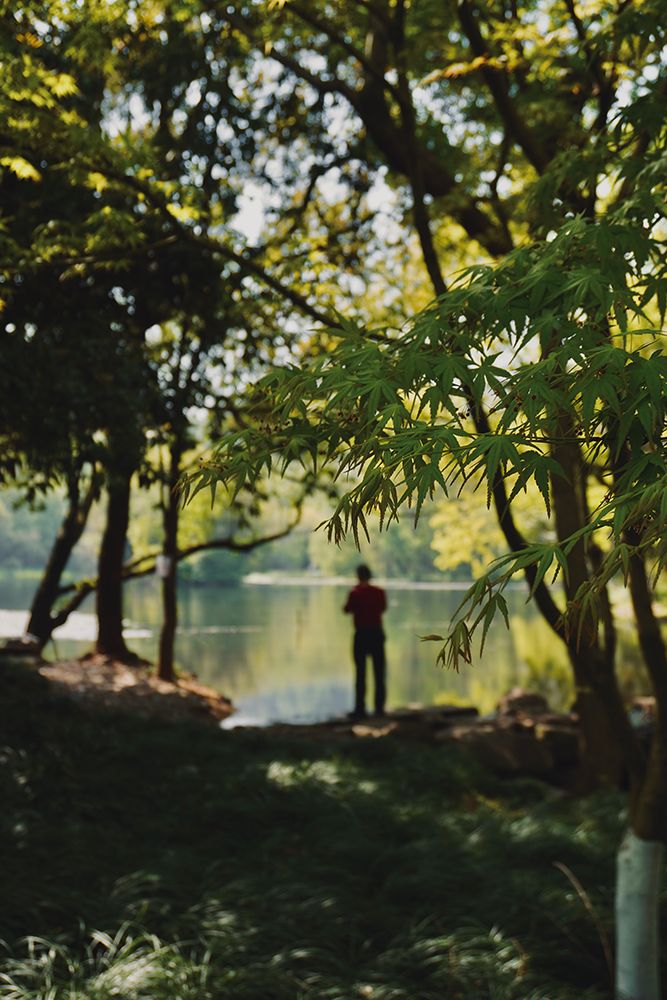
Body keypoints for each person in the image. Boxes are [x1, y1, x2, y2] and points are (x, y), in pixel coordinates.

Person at [343, 564, 387, 719]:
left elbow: (346, 610)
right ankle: (379, 709)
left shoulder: (355, 593)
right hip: (376, 634)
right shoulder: (379, 592)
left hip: (361, 635)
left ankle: (360, 709)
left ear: (358, 576)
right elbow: (383, 608)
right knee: (379, 673)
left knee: (360, 673)